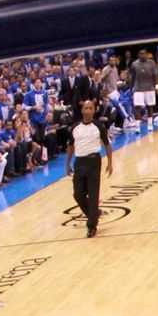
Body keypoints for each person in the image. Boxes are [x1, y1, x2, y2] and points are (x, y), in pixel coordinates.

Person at [66, 97, 114, 238]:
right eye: (85, 108)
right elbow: (70, 147)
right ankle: (93, 214)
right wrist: (67, 164)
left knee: (93, 195)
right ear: (82, 110)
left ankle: (91, 225)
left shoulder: (99, 126)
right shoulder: (75, 127)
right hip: (79, 162)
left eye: (90, 108)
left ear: (94, 110)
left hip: (94, 161)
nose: (87, 111)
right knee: (78, 194)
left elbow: (107, 145)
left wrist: (110, 163)